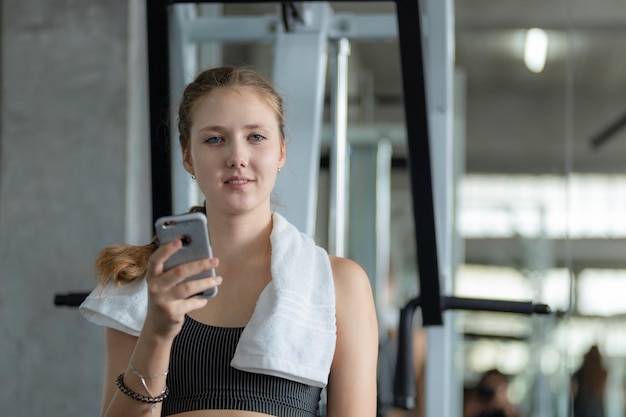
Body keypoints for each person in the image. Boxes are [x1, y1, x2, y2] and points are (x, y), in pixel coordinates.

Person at [79, 66, 379, 417]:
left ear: (281, 152)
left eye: (255, 137)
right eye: (214, 139)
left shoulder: (340, 283)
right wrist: (157, 334)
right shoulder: (143, 281)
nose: (237, 157)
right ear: (187, 156)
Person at [571, 345, 607, 417]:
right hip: (597, 411)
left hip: (582, 410)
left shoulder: (580, 373)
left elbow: (573, 391)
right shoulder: (602, 374)